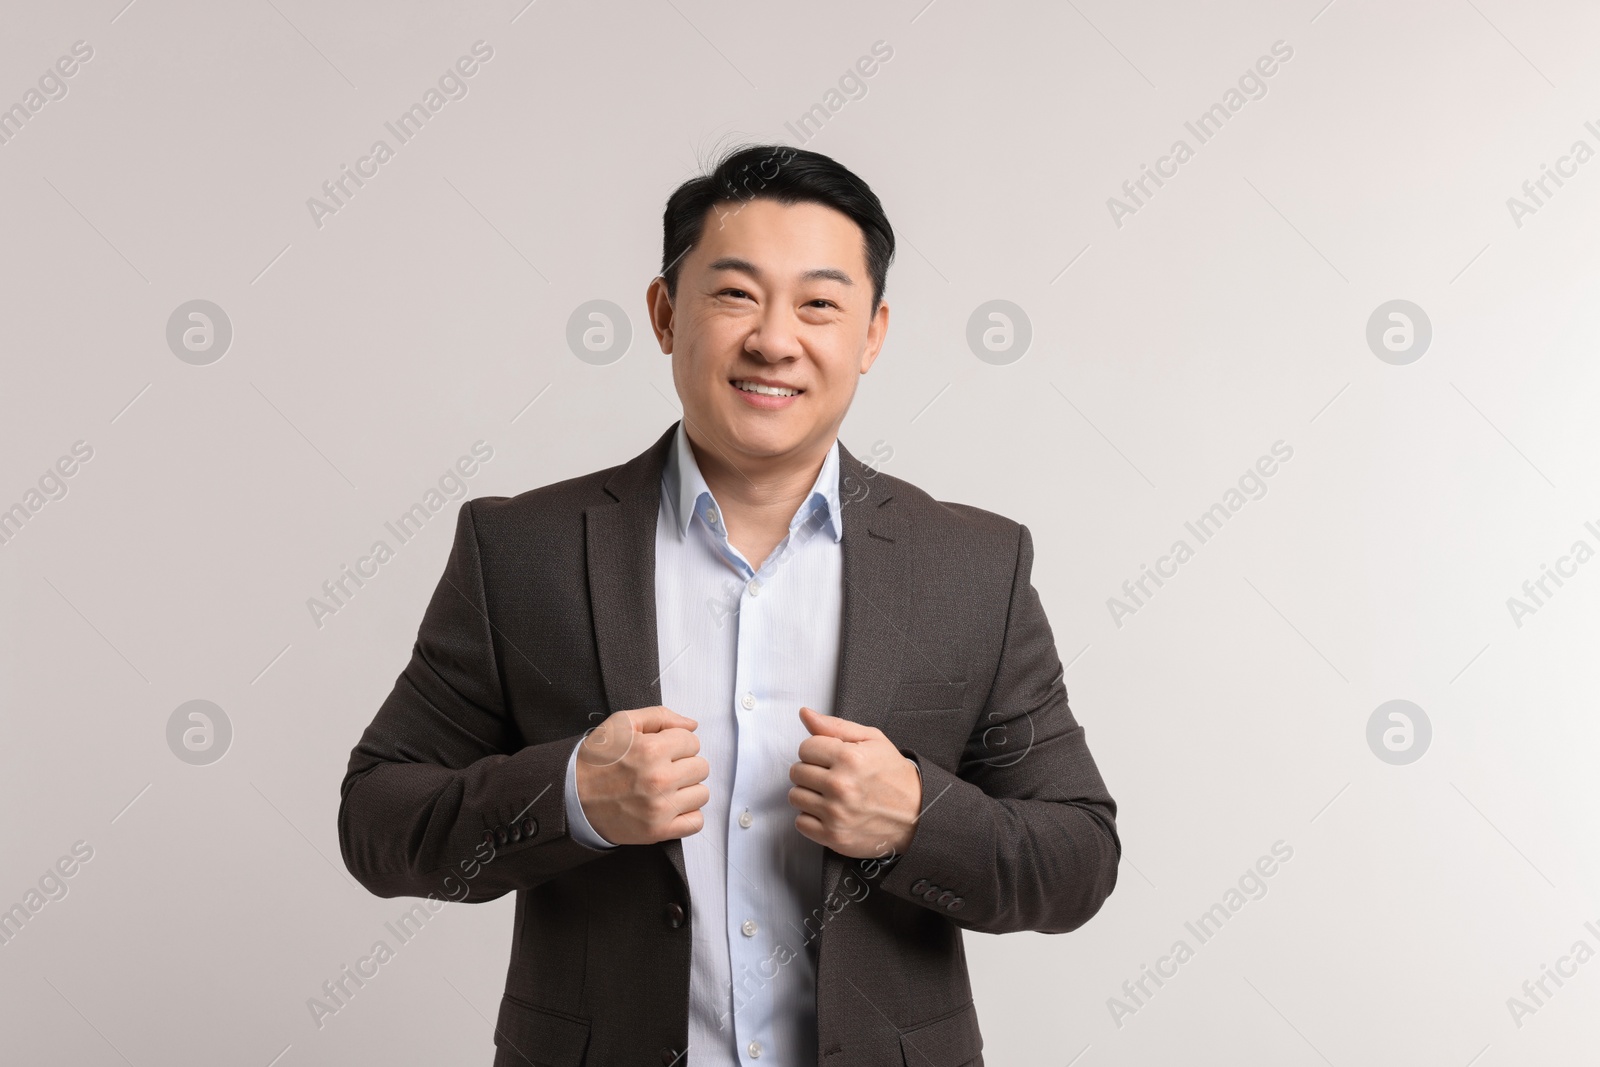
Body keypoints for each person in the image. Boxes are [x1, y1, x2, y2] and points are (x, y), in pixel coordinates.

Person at [337, 143, 1120, 1067]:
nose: (775, 340)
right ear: (666, 314)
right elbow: (379, 820)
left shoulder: (973, 564)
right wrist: (568, 797)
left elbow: (1077, 858)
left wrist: (918, 817)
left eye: (820, 303)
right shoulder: (523, 551)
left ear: (871, 334)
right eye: (735, 293)